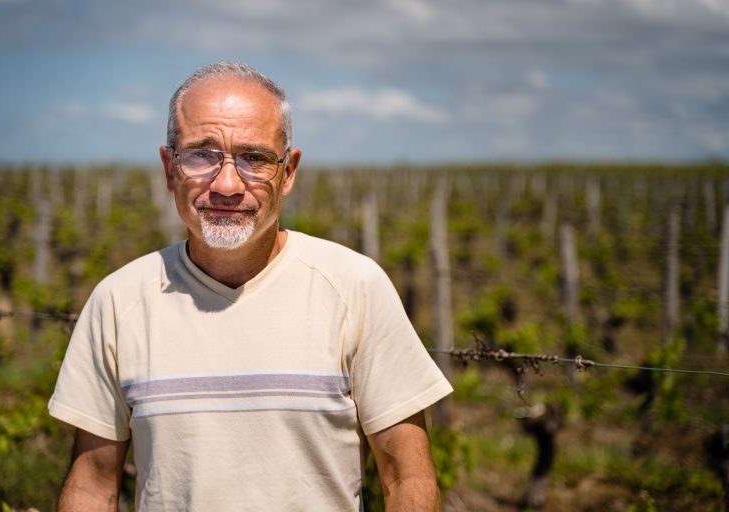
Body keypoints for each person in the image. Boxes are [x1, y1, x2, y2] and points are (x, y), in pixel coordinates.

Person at [49, 61, 453, 511]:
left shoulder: (354, 287)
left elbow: (408, 478)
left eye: (254, 158)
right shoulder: (118, 302)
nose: (226, 184)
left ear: (289, 172)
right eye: (201, 155)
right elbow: (92, 485)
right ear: (169, 168)